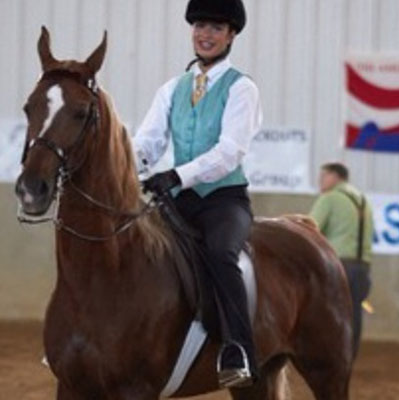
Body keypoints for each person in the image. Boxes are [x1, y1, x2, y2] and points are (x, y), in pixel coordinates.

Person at [131, 0, 262, 389]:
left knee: (222, 254)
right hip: (181, 199)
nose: (206, 35)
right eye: (200, 26)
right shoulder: (173, 88)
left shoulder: (242, 88)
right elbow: (148, 141)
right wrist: (127, 165)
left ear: (231, 35)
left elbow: (229, 152)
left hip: (224, 200)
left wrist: (175, 174)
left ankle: (238, 348)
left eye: (216, 28)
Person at [310, 162, 373, 359]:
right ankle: (348, 356)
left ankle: (325, 355)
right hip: (362, 266)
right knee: (353, 313)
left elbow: (310, 228)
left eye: (324, 176)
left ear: (335, 177)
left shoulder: (330, 198)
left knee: (325, 311)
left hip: (338, 265)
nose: (320, 181)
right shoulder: (362, 200)